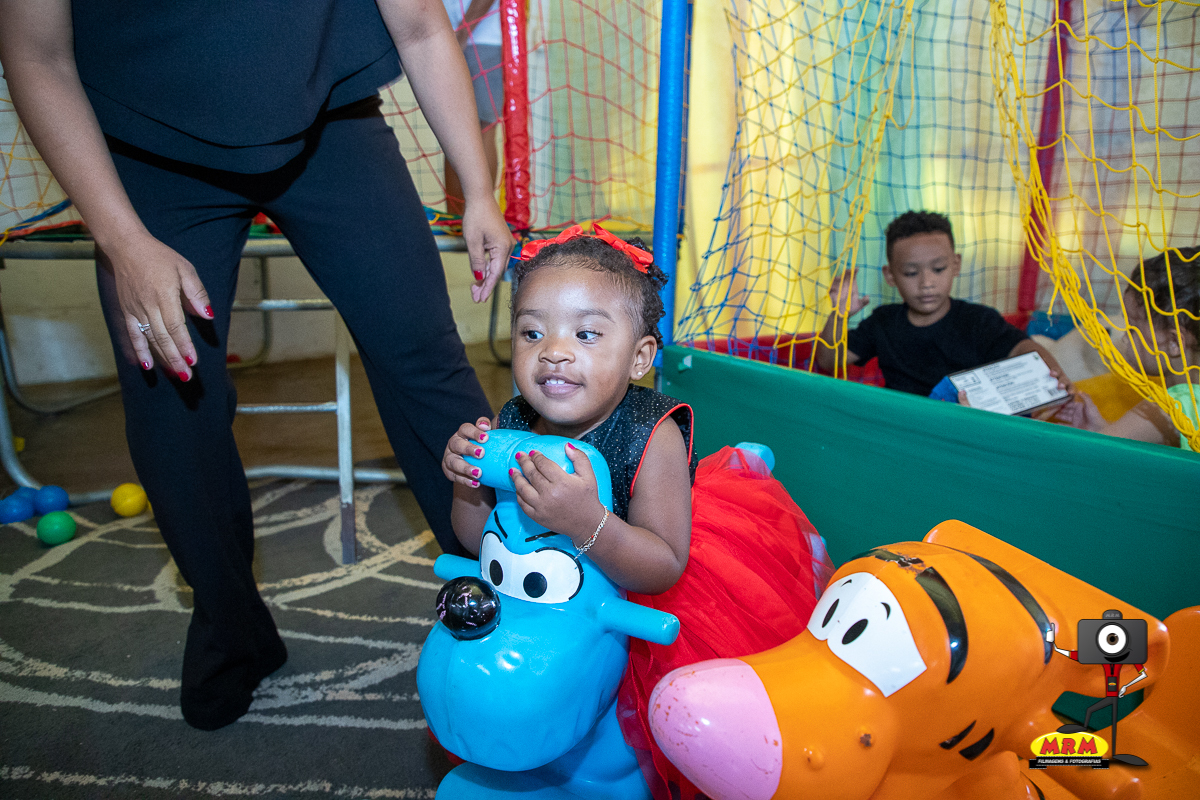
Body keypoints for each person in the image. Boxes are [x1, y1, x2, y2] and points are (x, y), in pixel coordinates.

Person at [0, 0, 514, 730]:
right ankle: (232, 630)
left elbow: (422, 26)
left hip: (330, 129)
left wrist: (479, 190)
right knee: (173, 401)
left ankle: (510, 595)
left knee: (425, 359)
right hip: (148, 154)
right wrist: (121, 241)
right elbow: (36, 54)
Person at [441, 225, 835, 799]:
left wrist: (585, 522)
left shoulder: (651, 435)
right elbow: (479, 540)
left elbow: (664, 567)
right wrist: (467, 483)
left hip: (635, 596)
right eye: (532, 332)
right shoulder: (515, 421)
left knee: (648, 731)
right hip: (545, 611)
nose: (554, 350)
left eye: (586, 334)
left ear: (640, 357)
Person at [815, 210, 1073, 397]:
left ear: (955, 265)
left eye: (938, 269)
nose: (926, 283)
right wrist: (838, 314)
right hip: (904, 426)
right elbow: (828, 361)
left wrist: (1053, 373)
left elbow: (1023, 348)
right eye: (911, 273)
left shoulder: (978, 321)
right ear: (890, 275)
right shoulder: (883, 321)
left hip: (962, 427)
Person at [1053, 247, 1200, 449]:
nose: (1124, 339)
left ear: (1173, 342)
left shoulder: (1172, 406)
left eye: (1132, 329)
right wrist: (1101, 427)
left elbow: (1094, 451)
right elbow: (1123, 442)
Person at [443, 0, 502, 216]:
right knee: (451, 133)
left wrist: (462, 33)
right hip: (444, 38)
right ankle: (455, 222)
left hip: (483, 40)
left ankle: (481, 217)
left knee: (483, 129)